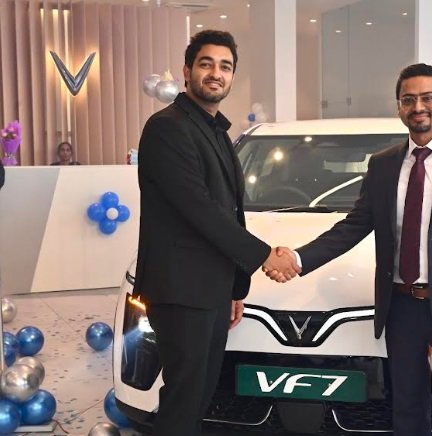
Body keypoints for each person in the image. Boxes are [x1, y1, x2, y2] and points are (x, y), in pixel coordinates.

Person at [267, 63, 432, 436]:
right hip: (401, 305)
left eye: (427, 98)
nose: (418, 107)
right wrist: (297, 258)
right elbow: (353, 226)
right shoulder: (383, 165)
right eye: (408, 100)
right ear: (399, 107)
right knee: (406, 408)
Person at [133, 30, 299, 436]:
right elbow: (200, 210)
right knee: (183, 400)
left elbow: (230, 213)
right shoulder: (168, 128)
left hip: (208, 291)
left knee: (199, 397)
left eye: (225, 66)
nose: (216, 73)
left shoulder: (217, 132)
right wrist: (265, 256)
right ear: (187, 71)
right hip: (181, 293)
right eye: (206, 64)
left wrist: (233, 287)